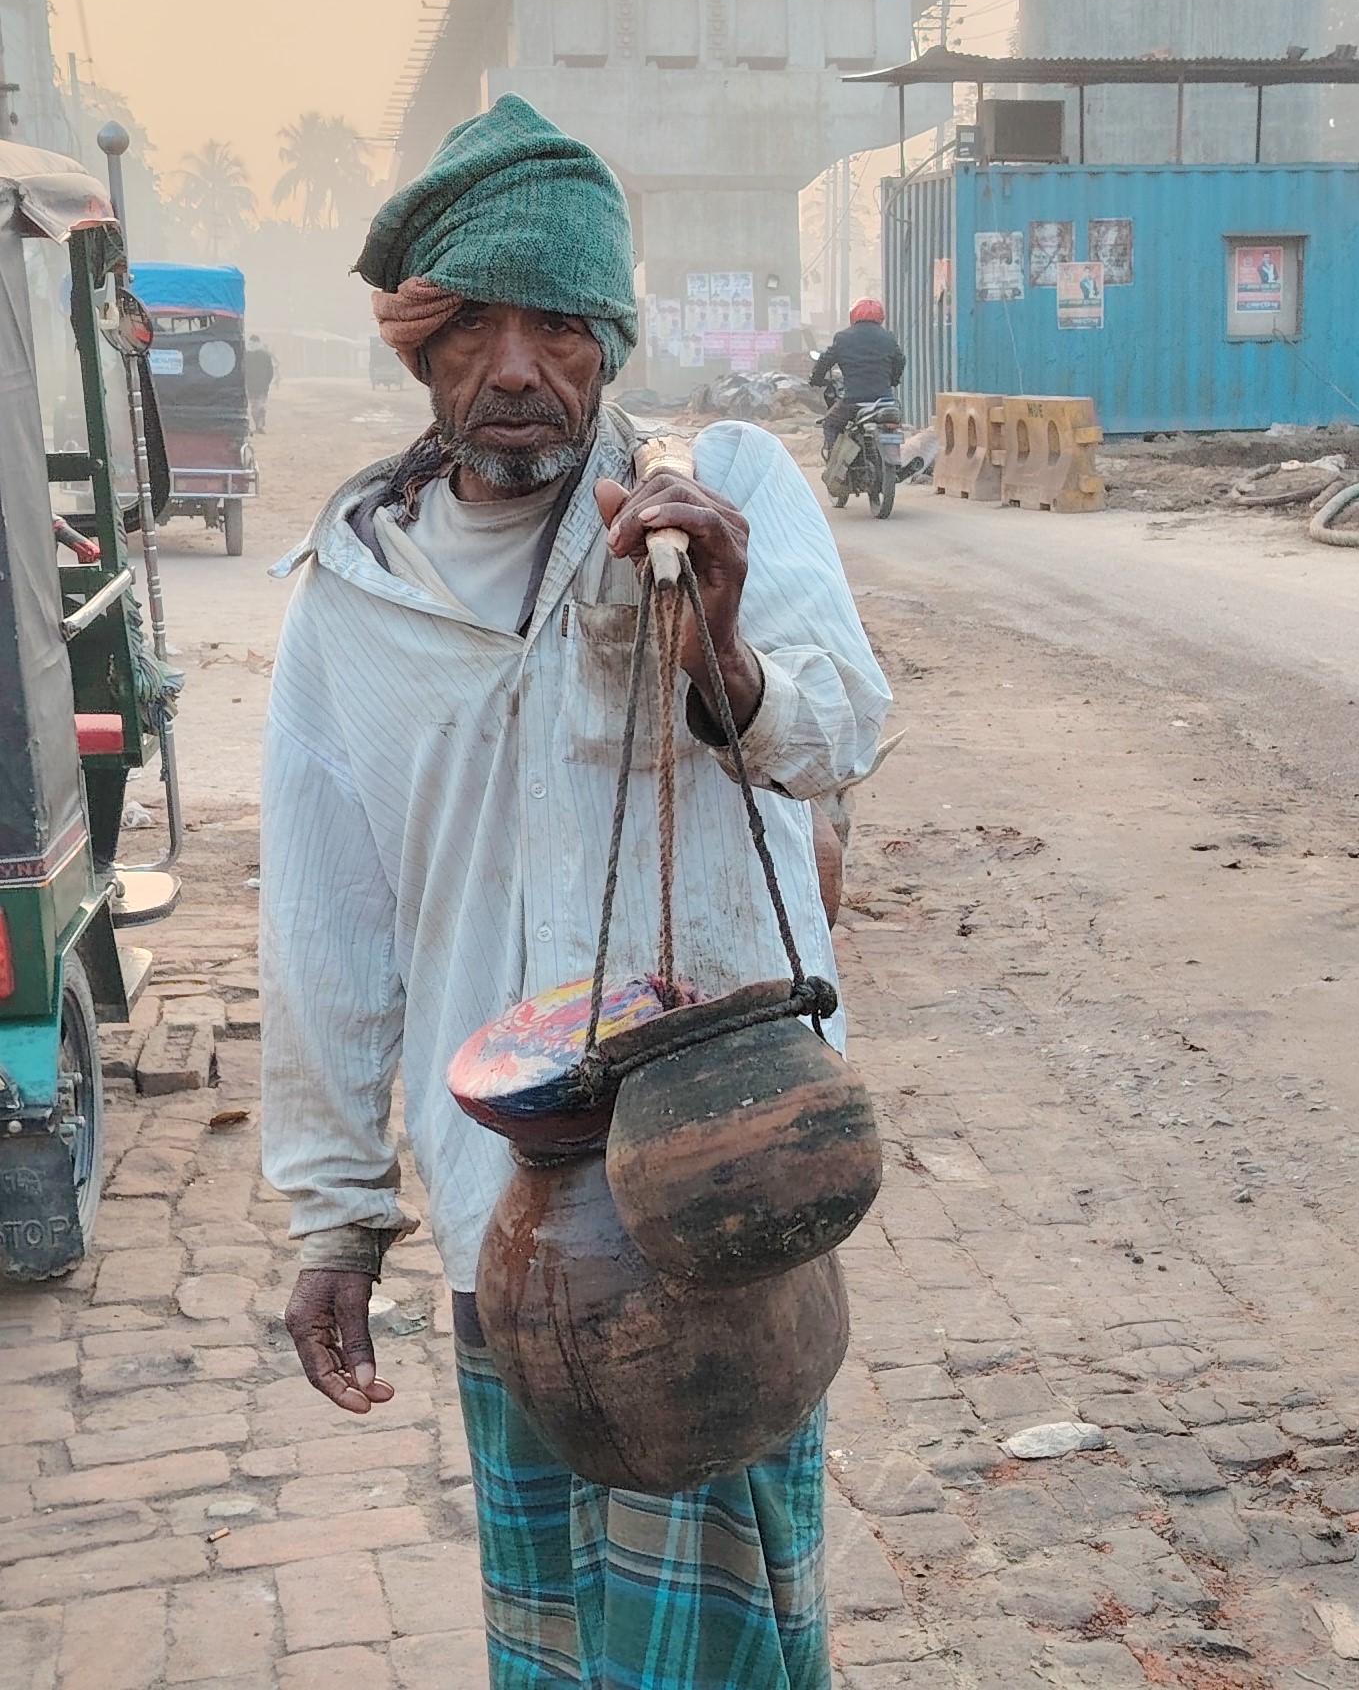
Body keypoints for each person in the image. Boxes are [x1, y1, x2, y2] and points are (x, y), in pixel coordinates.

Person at [260, 94, 889, 1690]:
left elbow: (842, 726)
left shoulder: (716, 490)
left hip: (718, 1196)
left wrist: (724, 656)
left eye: (559, 324)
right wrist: (337, 1214)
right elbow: (333, 929)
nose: (519, 366)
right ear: (422, 348)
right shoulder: (352, 587)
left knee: (722, 1652)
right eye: (475, 327)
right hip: (513, 1226)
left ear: (610, 339)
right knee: (554, 1643)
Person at [810, 297, 903, 454]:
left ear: (853, 316)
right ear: (881, 317)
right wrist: (893, 380)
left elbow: (825, 361)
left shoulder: (843, 338)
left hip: (854, 401)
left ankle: (835, 464)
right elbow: (900, 362)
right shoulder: (889, 337)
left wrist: (816, 379)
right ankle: (893, 459)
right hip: (885, 401)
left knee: (830, 423)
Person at [244, 335, 276, 433]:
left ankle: (258, 425)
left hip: (251, 386)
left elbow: (243, 370)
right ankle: (261, 423)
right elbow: (270, 371)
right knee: (261, 404)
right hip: (263, 386)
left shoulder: (247, 355)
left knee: (254, 406)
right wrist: (267, 382)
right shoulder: (265, 355)